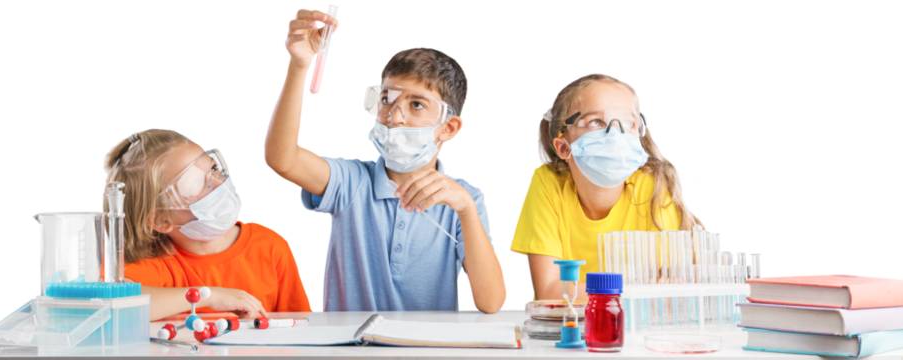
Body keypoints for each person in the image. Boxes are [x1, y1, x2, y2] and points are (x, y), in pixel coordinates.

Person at [262, 8, 508, 313]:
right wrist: (299, 67)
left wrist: (467, 212)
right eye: (387, 99)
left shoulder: (466, 198)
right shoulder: (350, 181)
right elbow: (280, 159)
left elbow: (492, 302)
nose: (394, 116)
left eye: (416, 104)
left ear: (449, 127)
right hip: (350, 351)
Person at [509, 73, 705, 303]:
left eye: (628, 123)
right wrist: (633, 289)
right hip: (570, 326)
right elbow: (551, 291)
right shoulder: (547, 183)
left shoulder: (653, 187)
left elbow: (672, 289)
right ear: (563, 148)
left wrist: (600, 290)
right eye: (596, 122)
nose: (615, 134)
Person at [101, 127, 313, 321]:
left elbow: (303, 329)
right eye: (196, 183)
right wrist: (207, 296)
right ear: (159, 219)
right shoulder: (150, 261)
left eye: (213, 169)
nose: (220, 183)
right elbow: (109, 304)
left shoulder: (270, 246)